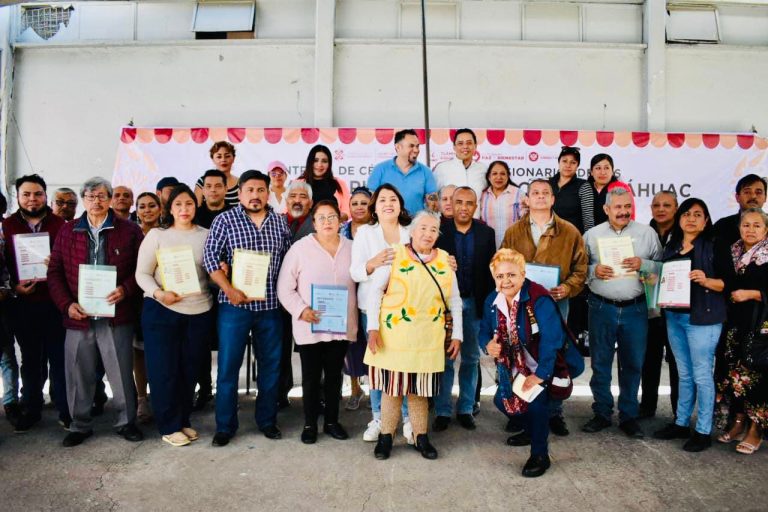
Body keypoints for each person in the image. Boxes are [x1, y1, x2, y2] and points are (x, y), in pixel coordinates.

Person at [48, 177, 145, 447]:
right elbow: (54, 271)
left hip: (116, 314)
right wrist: (67, 304)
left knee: (121, 371)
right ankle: (80, 425)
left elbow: (142, 269)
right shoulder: (67, 231)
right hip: (78, 315)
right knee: (78, 372)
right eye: (90, 196)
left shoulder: (129, 230)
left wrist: (125, 290)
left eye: (102, 195)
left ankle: (126, 422)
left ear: (111, 198)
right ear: (83, 200)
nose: (96, 201)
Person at [365, 210, 463, 460]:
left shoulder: (444, 260)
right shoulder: (394, 254)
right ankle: (386, 437)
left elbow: (455, 300)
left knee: (419, 391)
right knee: (392, 390)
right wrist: (373, 328)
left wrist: (457, 335)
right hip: (393, 337)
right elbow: (375, 291)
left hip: (427, 339)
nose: (428, 234)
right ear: (412, 231)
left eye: (433, 230)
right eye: (423, 228)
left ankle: (421, 437)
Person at [203, 170, 291, 446]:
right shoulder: (224, 220)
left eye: (261, 190)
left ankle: (267, 420)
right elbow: (210, 259)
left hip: (271, 307)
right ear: (239, 193)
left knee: (271, 366)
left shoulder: (280, 224)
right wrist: (229, 289)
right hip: (234, 307)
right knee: (229, 367)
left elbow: (290, 264)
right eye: (249, 190)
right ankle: (225, 426)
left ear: (268, 193)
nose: (255, 195)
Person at [500, 179, 587, 436]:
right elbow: (503, 266)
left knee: (553, 357)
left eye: (545, 193)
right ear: (526, 199)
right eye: (534, 193)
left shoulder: (570, 232)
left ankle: (554, 412)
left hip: (556, 305)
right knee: (521, 356)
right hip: (521, 304)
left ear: (552, 199)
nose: (539, 197)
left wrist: (568, 288)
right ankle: (520, 408)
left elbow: (581, 268)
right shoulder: (514, 232)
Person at [481, 249, 575, 477]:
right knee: (502, 402)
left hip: (545, 363)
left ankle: (540, 454)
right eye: (500, 276)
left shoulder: (538, 298)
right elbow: (483, 331)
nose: (506, 281)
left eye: (511, 275)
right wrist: (487, 345)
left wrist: (539, 375)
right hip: (513, 366)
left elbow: (552, 340)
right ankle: (533, 430)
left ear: (523, 274)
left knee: (536, 401)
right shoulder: (492, 301)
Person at [135, 184, 214, 447]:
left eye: (189, 204)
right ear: (170, 208)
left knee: (189, 369)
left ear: (195, 207)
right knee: (164, 370)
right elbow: (142, 274)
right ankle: (168, 425)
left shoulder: (207, 234)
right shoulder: (157, 235)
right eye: (178, 204)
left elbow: (213, 271)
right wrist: (159, 294)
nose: (184, 209)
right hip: (162, 310)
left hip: (199, 310)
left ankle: (182, 420)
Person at [581, 187, 662, 438]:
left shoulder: (647, 234)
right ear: (606, 209)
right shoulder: (591, 235)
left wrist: (645, 265)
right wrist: (594, 270)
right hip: (601, 307)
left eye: (627, 206)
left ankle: (628, 415)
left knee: (632, 364)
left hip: (635, 309)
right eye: (618, 207)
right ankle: (602, 412)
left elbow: (662, 270)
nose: (623, 211)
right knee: (601, 363)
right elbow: (578, 269)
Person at [277, 200, 358, 443]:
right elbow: (284, 287)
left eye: (331, 217)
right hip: (309, 325)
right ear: (314, 223)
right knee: (311, 377)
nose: (327, 222)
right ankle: (310, 424)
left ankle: (332, 421)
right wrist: (301, 310)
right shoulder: (300, 249)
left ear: (340, 220)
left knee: (334, 376)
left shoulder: (352, 248)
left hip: (340, 326)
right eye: (321, 218)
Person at [652, 198, 727, 452]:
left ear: (706, 221)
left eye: (698, 214)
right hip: (674, 317)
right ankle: (681, 422)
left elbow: (727, 283)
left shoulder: (713, 246)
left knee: (702, 375)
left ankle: (703, 430)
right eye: (687, 213)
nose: (691, 218)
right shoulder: (672, 247)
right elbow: (666, 279)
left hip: (702, 319)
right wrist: (657, 280)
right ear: (680, 218)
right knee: (684, 374)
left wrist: (707, 280)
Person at [2, 174, 70, 432]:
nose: (32, 199)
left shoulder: (61, 225)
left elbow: (70, 262)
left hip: (55, 303)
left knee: (59, 358)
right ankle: (31, 408)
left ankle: (65, 409)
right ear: (17, 197)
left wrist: (56, 264)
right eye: (26, 194)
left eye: (38, 194)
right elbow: (3, 265)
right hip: (22, 304)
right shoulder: (6, 226)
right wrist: (13, 288)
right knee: (30, 359)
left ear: (45, 196)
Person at [350, 184, 413, 443]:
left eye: (393, 199)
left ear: (400, 204)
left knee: (406, 364)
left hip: (406, 309)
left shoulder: (411, 232)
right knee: (376, 365)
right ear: (375, 207)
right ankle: (378, 417)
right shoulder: (365, 233)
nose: (388, 203)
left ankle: (409, 418)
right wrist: (372, 264)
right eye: (382, 200)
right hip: (372, 309)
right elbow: (354, 272)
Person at [432, 186, 495, 431]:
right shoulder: (439, 230)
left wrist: (488, 309)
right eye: (459, 202)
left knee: (470, 359)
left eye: (469, 203)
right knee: (445, 360)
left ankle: (466, 408)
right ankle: (443, 410)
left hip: (475, 304)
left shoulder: (486, 233)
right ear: (451, 204)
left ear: (476, 206)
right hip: (446, 306)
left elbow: (491, 275)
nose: (464, 207)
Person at [715, 208, 768, 455]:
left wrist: (752, 294)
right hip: (734, 324)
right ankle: (738, 422)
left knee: (756, 377)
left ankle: (756, 430)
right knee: (733, 374)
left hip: (760, 327)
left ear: (766, 230)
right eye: (746, 225)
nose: (751, 230)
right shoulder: (734, 251)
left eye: (757, 225)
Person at [640, 191, 680, 419]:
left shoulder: (685, 236)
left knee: (676, 363)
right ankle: (647, 407)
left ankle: (679, 412)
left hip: (677, 309)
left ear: (676, 208)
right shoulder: (645, 234)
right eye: (657, 205)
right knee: (649, 359)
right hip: (651, 308)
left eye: (667, 205)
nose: (661, 209)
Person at [132, 192, 163, 421]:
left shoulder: (166, 232)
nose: (147, 210)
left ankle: (162, 398)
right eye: (142, 206)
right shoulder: (129, 233)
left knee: (161, 352)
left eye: (152, 205)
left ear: (160, 208)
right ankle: (142, 399)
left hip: (162, 299)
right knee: (138, 351)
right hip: (134, 298)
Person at [340, 186, 372, 410]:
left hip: (372, 294)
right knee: (350, 343)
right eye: (355, 203)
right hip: (346, 292)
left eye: (364, 203)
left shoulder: (378, 230)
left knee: (374, 342)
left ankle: (378, 390)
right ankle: (355, 388)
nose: (359, 207)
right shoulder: (341, 230)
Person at [367, 129, 437, 216]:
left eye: (417, 146)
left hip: (415, 226)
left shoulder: (426, 172)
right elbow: (370, 199)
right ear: (398, 147)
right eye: (411, 146)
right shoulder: (380, 170)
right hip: (387, 225)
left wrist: (432, 205)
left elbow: (433, 199)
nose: (416, 150)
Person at [433, 129, 486, 215]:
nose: (465, 146)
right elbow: (433, 197)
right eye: (460, 143)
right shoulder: (442, 168)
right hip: (448, 225)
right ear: (454, 147)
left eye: (469, 143)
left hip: (475, 224)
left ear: (475, 146)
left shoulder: (483, 169)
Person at [578, 153, 635, 232]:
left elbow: (630, 215)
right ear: (591, 172)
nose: (602, 172)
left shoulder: (622, 188)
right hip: (588, 236)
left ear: (612, 171)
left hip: (615, 236)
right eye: (598, 168)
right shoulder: (584, 188)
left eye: (606, 168)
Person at [713, 174, 766, 249]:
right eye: (747, 192)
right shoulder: (722, 226)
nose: (753, 196)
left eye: (758, 192)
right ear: (737, 197)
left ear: (765, 198)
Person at [479, 160, 524, 249]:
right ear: (489, 177)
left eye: (503, 174)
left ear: (508, 176)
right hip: (488, 248)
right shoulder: (483, 195)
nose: (498, 177)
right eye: (494, 174)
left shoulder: (518, 194)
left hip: (513, 246)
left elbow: (525, 221)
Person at [298, 145, 350, 217]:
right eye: (315, 160)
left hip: (333, 226)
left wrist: (333, 220)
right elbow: (288, 210)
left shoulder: (339, 183)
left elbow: (347, 211)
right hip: (304, 227)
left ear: (329, 164)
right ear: (310, 162)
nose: (319, 165)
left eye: (324, 161)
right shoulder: (298, 183)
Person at [549, 146, 586, 233]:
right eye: (564, 161)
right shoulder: (547, 184)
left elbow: (588, 219)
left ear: (577, 166)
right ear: (559, 162)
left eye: (573, 162)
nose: (568, 165)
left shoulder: (583, 185)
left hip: (573, 238)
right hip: (547, 236)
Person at [195, 141, 240, 208]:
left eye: (227, 156)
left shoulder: (241, 182)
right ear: (213, 159)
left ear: (233, 158)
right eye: (219, 157)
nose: (223, 160)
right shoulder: (203, 181)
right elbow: (196, 207)